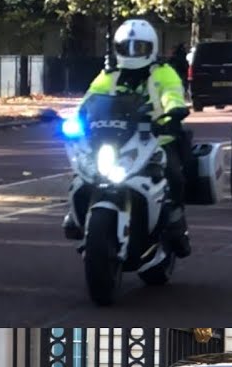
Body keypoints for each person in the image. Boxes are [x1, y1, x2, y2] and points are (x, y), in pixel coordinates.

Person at [64, 18, 192, 258]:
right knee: (82, 170)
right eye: (127, 47)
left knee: (173, 174)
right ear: (117, 48)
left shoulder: (164, 73)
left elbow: (173, 96)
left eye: (139, 47)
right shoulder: (108, 76)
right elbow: (88, 102)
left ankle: (176, 226)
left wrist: (173, 113)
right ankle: (75, 215)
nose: (133, 53)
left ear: (151, 48)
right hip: (113, 140)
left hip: (155, 139)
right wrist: (74, 119)